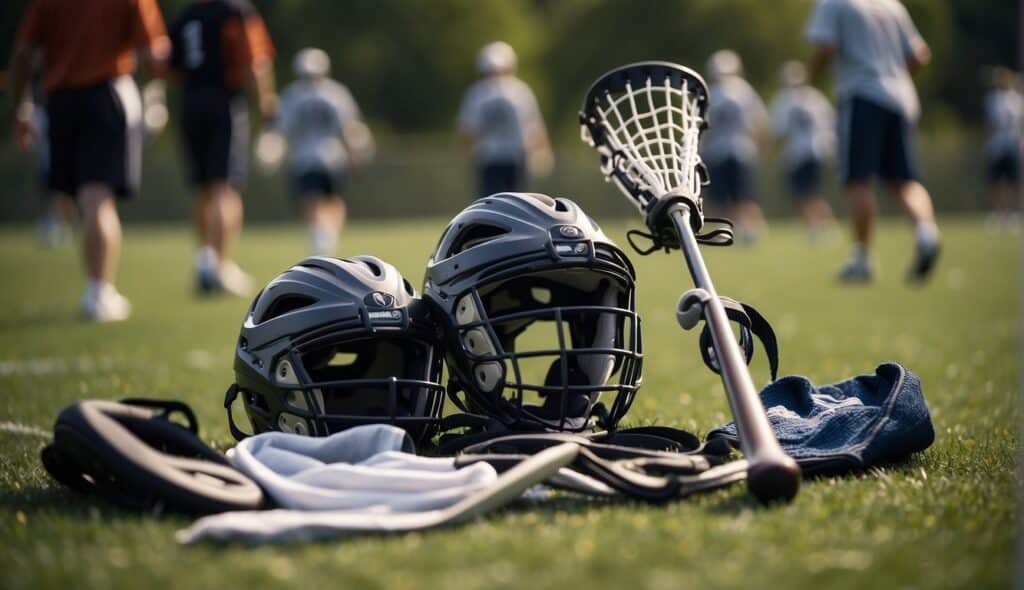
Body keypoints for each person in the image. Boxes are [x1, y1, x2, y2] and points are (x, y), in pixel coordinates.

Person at [9, 0, 170, 322]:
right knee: (97, 198)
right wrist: (156, 96)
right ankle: (99, 291)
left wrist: (22, 105)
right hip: (107, 94)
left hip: (60, 102)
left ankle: (95, 286)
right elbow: (156, 52)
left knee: (81, 197)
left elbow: (23, 53)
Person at [806, 0, 940, 283]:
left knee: (858, 180)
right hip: (902, 99)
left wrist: (809, 79)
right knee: (903, 180)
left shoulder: (834, 3)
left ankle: (862, 259)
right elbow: (920, 55)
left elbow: (826, 47)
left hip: (862, 95)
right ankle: (927, 234)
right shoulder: (891, 5)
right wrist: (893, 77)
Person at [168, 0, 277, 296]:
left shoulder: (186, 14)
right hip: (223, 102)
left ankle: (205, 260)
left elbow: (171, 66)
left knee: (205, 189)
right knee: (223, 188)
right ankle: (220, 265)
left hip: (189, 103)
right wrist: (267, 108)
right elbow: (255, 60)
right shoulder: (235, 10)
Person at [273, 48, 374, 256]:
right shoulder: (337, 93)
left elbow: (280, 131)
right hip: (333, 157)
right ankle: (328, 236)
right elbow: (350, 129)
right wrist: (356, 155)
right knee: (333, 200)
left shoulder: (291, 95)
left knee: (311, 201)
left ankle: (321, 237)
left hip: (303, 158)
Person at [456, 41, 553, 198]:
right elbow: (534, 126)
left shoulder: (477, 93)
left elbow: (467, 130)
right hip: (501, 158)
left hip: (500, 158)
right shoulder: (519, 91)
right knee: (517, 204)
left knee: (493, 205)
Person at [700, 49, 769, 243]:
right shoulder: (744, 91)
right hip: (742, 150)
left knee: (719, 198)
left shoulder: (710, 93)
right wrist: (761, 147)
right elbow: (760, 121)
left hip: (717, 151)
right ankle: (747, 231)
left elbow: (701, 127)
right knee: (744, 197)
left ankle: (727, 231)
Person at [769, 60, 837, 241]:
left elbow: (778, 131)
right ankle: (822, 226)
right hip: (816, 151)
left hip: (797, 154)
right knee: (812, 192)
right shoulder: (816, 98)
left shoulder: (784, 100)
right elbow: (830, 125)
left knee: (804, 194)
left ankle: (819, 228)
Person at [982, 67, 1023, 229]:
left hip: (1012, 143)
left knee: (1014, 181)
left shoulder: (1016, 99)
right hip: (997, 144)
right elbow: (990, 124)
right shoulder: (992, 99)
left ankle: (1014, 213)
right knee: (996, 182)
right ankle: (998, 214)